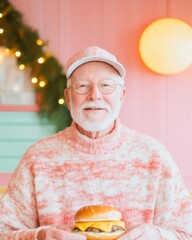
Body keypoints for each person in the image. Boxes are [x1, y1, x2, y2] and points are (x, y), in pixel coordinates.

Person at [0, 46, 192, 240]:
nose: (95, 95)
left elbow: (187, 233)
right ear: (68, 98)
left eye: (106, 85)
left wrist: (157, 236)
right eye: (82, 86)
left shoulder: (153, 155)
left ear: (122, 95)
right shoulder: (38, 158)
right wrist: (39, 237)